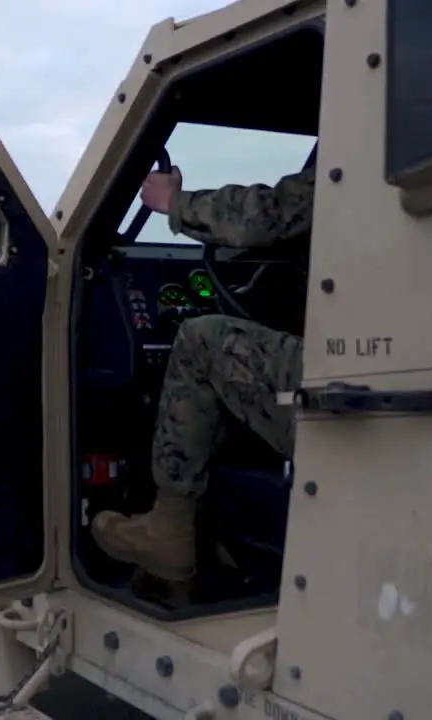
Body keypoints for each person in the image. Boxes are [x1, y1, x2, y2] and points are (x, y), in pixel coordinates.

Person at [89, 163, 316, 589]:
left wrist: (175, 203)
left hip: (342, 383)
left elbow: (277, 213)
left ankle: (169, 530)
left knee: (199, 340)